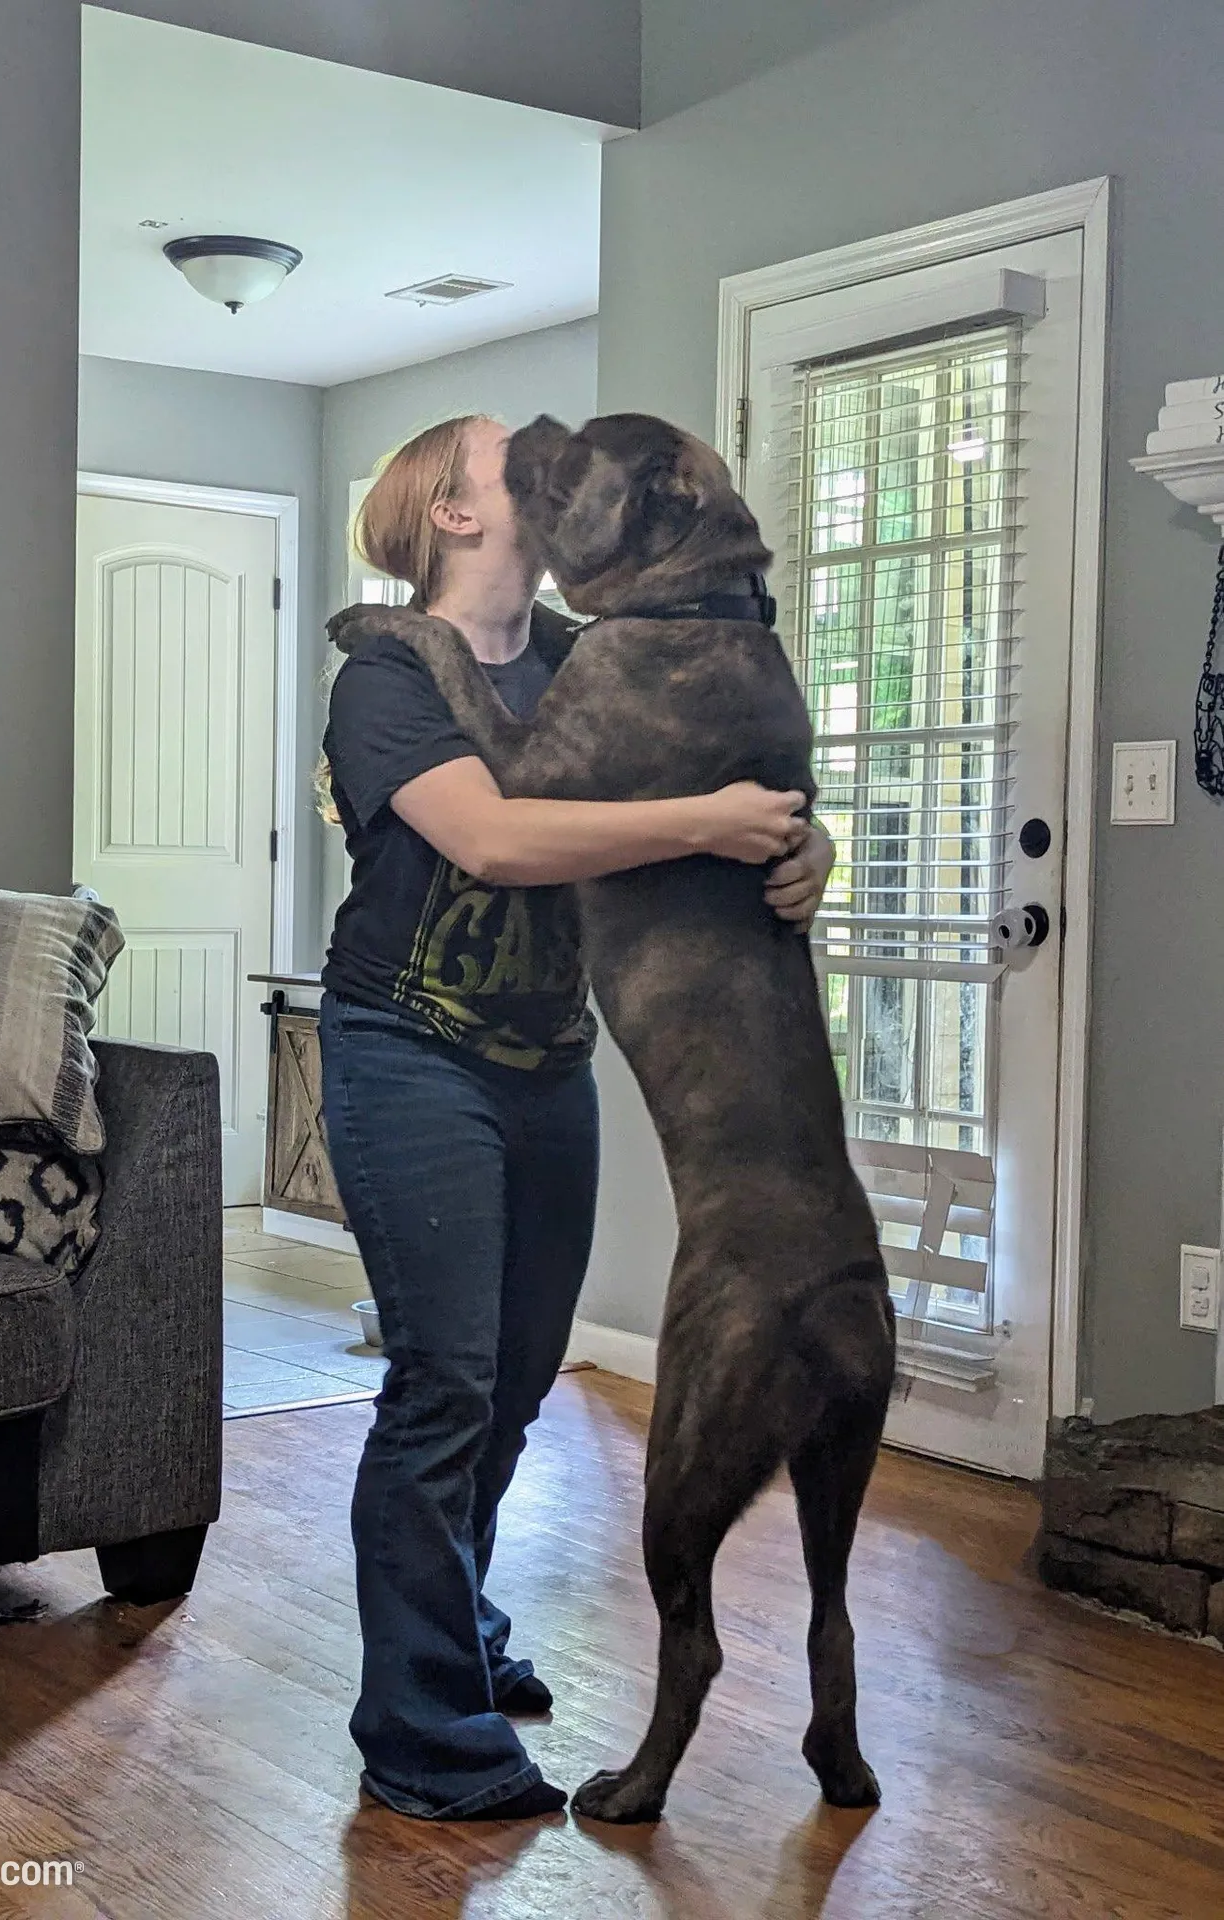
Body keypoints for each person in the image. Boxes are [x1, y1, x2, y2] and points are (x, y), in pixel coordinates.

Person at [318, 414, 835, 1822]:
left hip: (546, 1062)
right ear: (454, 511)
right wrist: (706, 824)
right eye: (503, 458)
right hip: (405, 1047)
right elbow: (493, 836)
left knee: (519, 1379)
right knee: (444, 1384)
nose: (539, 468)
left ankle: (457, 1629)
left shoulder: (582, 656)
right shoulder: (384, 678)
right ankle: (425, 1735)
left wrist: (798, 847)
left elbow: (731, 777)